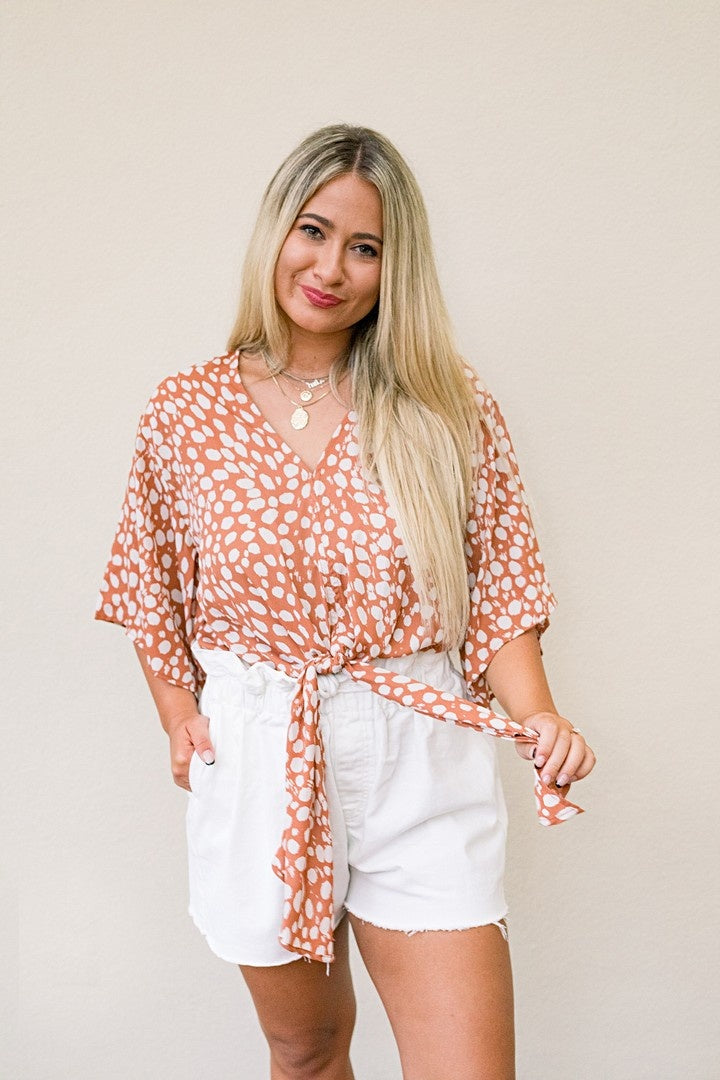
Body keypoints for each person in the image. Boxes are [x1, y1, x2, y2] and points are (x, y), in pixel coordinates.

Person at [96, 124, 596, 1080]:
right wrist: (177, 714)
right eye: (314, 231)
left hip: (419, 749)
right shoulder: (184, 411)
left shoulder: (447, 405)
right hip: (259, 750)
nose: (331, 268)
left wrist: (538, 714)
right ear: (276, 230)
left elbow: (501, 583)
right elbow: (149, 584)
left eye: (366, 247)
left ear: (395, 268)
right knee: (308, 1051)